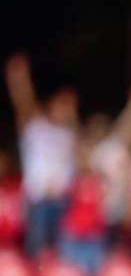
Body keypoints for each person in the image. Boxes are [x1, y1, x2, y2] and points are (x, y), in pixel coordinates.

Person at [4, 53, 77, 263]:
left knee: (60, 257)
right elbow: (23, 103)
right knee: (36, 254)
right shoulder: (36, 129)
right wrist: (19, 80)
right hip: (38, 201)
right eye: (61, 104)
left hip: (63, 201)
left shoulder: (69, 134)